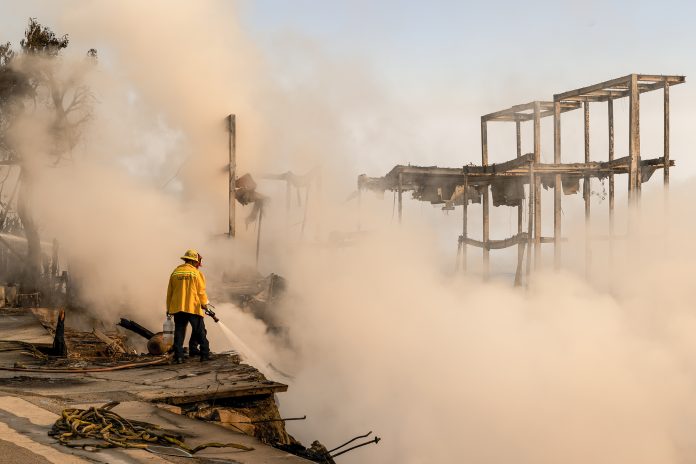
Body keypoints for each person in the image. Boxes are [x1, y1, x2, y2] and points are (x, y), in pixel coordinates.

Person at [166, 249, 211, 363]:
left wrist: (168, 308)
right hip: (193, 307)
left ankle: (179, 357)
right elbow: (201, 291)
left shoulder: (175, 272)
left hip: (178, 307)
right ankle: (205, 355)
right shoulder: (196, 273)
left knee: (179, 332)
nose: (198, 265)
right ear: (193, 261)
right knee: (200, 331)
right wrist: (205, 304)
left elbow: (169, 292)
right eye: (197, 263)